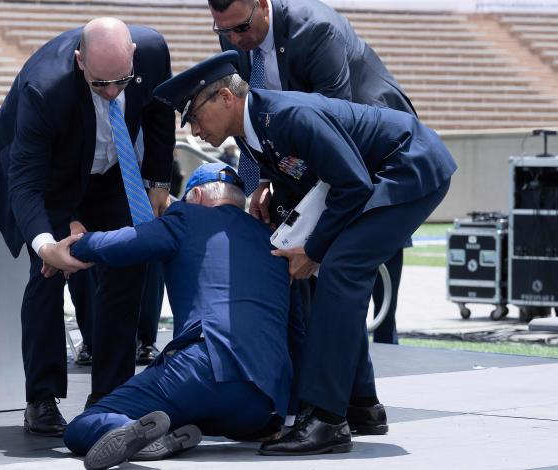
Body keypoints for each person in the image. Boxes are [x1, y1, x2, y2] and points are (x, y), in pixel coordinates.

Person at [153, 51, 456, 455]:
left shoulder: (287, 117)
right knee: (334, 273)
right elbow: (304, 177)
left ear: (225, 98)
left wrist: (312, 249)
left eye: (194, 116)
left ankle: (328, 421)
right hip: (380, 173)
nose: (194, 131)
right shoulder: (253, 129)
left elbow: (352, 185)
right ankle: (361, 404)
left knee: (341, 269)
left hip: (408, 167)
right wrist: (278, 211)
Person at [0, 18, 175, 437]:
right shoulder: (44, 89)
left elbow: (159, 110)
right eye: (100, 82)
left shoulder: (154, 52)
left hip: (109, 173)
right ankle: (42, 398)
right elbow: (27, 180)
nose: (111, 92)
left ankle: (111, 395)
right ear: (79, 60)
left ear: (134, 59)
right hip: (46, 177)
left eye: (121, 81)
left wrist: (159, 180)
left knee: (128, 261)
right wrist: (46, 243)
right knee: (48, 273)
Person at [61, 162, 294, 469]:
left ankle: (128, 430)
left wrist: (76, 246)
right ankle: (168, 432)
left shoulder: (186, 216)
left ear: (196, 194)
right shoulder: (273, 241)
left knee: (82, 426)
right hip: (261, 403)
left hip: (202, 366)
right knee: (200, 412)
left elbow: (125, 243)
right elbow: (296, 330)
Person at [208, 0, 416, 345]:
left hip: (370, 130)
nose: (233, 38)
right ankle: (321, 338)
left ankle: (382, 331)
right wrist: (263, 179)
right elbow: (255, 111)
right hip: (301, 134)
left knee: (368, 222)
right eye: (223, 30)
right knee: (298, 222)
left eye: (241, 28)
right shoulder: (235, 32)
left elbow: (335, 119)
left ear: (262, 5)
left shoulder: (315, 28)